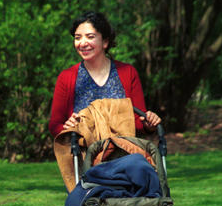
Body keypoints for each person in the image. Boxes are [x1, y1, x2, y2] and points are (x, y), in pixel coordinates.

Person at [48, 10, 161, 138]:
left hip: (124, 150)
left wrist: (149, 124)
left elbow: (139, 123)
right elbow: (55, 125)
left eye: (90, 37)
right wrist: (67, 127)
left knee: (138, 159)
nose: (82, 43)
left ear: (105, 42)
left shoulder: (128, 72)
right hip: (85, 152)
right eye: (77, 38)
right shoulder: (67, 77)